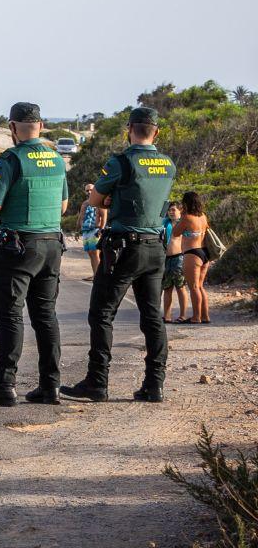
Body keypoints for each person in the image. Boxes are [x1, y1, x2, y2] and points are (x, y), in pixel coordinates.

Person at [63, 107, 177, 403]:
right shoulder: (168, 164)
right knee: (152, 317)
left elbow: (95, 200)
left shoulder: (121, 162)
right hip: (155, 246)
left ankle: (97, 382)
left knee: (101, 313)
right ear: (157, 132)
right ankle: (155, 384)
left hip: (124, 246)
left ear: (129, 129)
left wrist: (111, 199)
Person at [0, 103, 69, 406]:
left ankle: (5, 384)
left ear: (12, 128)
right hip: (52, 244)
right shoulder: (56, 158)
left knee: (11, 317)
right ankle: (51, 386)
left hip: (18, 247)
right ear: (41, 125)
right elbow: (64, 206)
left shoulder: (11, 159)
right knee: (46, 317)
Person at [176, 191, 212, 325]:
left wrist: (181, 216)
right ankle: (205, 316)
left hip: (192, 253)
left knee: (194, 287)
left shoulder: (187, 218)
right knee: (201, 286)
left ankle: (196, 317)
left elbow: (175, 233)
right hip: (204, 252)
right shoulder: (203, 216)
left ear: (186, 203)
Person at [160, 201, 187, 323]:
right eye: (170, 210)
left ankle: (183, 315)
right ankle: (167, 316)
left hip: (179, 258)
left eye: (174, 210)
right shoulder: (165, 222)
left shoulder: (183, 223)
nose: (171, 212)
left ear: (180, 211)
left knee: (180, 287)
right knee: (167, 288)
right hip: (166, 259)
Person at [79, 185, 106, 278]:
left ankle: (99, 277)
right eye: (87, 190)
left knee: (95, 253)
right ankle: (95, 274)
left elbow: (104, 216)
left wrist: (101, 229)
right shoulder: (84, 203)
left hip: (95, 230)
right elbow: (81, 216)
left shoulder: (99, 201)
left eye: (91, 190)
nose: (89, 192)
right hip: (86, 231)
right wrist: (78, 229)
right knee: (90, 254)